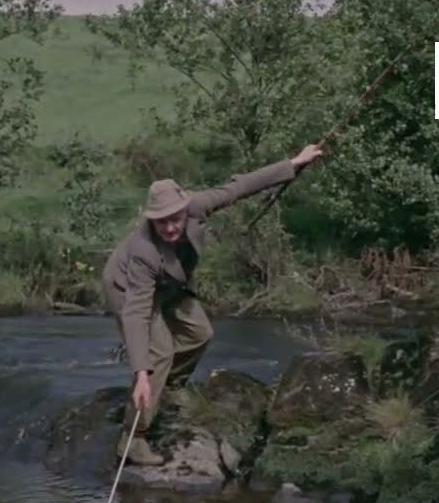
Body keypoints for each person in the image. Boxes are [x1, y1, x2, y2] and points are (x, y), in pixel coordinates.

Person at [100, 143, 325, 465]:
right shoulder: (143, 250)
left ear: (184, 208)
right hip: (128, 289)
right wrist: (141, 372)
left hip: (168, 283)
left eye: (174, 218)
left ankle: (170, 388)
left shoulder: (197, 204)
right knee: (158, 353)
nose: (170, 227)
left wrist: (294, 163)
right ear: (152, 220)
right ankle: (133, 437)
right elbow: (136, 313)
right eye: (161, 222)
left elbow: (240, 186)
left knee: (199, 333)